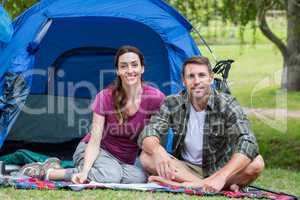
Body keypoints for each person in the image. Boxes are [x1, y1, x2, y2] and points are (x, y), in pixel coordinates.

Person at [20, 45, 165, 184]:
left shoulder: (156, 98)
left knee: (138, 177)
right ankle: (49, 172)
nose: (130, 70)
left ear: (142, 68)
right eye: (124, 66)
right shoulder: (105, 97)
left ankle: (88, 171)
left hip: (124, 161)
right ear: (117, 71)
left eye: (134, 65)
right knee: (110, 175)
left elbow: (156, 133)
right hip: (96, 151)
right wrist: (85, 172)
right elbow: (95, 139)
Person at [138, 56, 264, 192]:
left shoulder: (227, 103)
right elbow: (150, 132)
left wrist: (221, 176)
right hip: (186, 168)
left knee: (257, 163)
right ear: (184, 80)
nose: (197, 81)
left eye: (202, 75)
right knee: (146, 157)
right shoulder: (172, 102)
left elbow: (248, 141)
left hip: (219, 168)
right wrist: (158, 151)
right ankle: (204, 185)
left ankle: (191, 184)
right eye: (191, 76)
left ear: (210, 78)